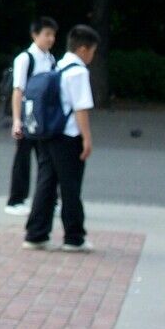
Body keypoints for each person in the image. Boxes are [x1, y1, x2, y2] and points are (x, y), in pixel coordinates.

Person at [23, 24, 99, 252]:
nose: (92, 56)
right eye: (92, 51)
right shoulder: (79, 72)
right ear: (84, 49)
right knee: (70, 187)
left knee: (45, 184)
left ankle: (36, 234)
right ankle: (74, 237)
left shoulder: (57, 65)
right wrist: (87, 139)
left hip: (48, 133)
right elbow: (81, 108)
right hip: (68, 136)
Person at [6, 16, 58, 216]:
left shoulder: (51, 59)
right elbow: (18, 90)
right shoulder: (25, 58)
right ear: (35, 35)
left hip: (44, 116)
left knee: (47, 159)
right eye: (47, 34)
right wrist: (17, 120)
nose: (51, 38)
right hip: (28, 116)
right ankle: (16, 200)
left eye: (53, 35)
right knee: (23, 158)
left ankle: (49, 200)